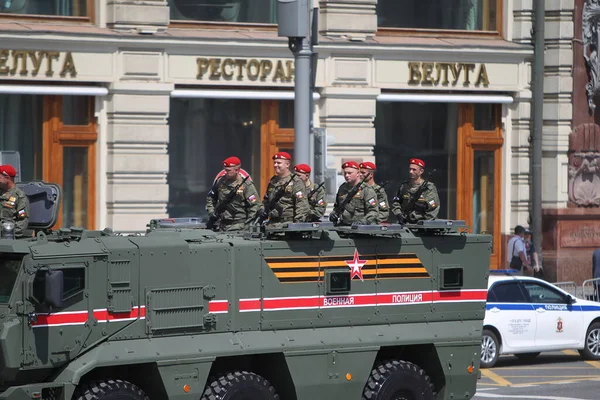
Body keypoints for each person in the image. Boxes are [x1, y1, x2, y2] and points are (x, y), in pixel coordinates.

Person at [206, 156, 260, 231]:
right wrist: (211, 212)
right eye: (225, 169)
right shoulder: (220, 181)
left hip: (238, 227)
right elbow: (211, 198)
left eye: (228, 170)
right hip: (220, 226)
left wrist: (247, 226)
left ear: (237, 170)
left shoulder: (246, 185)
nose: (225, 172)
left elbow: (255, 206)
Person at [259, 152, 309, 225]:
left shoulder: (296, 181)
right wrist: (262, 209)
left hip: (288, 224)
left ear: (287, 165)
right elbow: (266, 200)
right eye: (274, 163)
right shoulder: (273, 181)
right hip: (272, 223)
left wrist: (298, 225)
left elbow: (302, 205)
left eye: (279, 163)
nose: (275, 165)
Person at [329, 161, 378, 226]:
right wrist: (333, 215)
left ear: (358, 173)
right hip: (344, 225)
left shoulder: (366, 190)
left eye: (349, 173)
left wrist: (363, 222)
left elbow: (373, 211)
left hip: (362, 228)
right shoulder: (342, 188)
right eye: (345, 173)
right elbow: (337, 207)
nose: (346, 175)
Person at [391, 158, 440, 224]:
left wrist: (425, 222)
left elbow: (433, 208)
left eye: (414, 170)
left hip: (421, 225)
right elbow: (396, 202)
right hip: (405, 223)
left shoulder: (428, 188)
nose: (411, 172)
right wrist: (398, 214)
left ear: (421, 171)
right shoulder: (404, 186)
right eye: (410, 169)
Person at [0, 164, 29, 237]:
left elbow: (22, 221)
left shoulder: (19, 196)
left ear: (7, 178)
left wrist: (8, 233)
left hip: (6, 236)